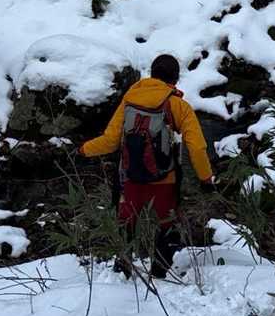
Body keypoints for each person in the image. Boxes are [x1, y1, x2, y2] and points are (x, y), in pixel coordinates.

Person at [78, 54, 214, 275]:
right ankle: (159, 272)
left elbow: (110, 141)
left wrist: (83, 150)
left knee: (126, 223)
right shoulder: (178, 105)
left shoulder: (129, 101)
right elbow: (197, 148)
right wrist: (206, 180)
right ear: (175, 78)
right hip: (164, 179)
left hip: (130, 176)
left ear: (151, 74)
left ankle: (122, 269)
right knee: (166, 224)